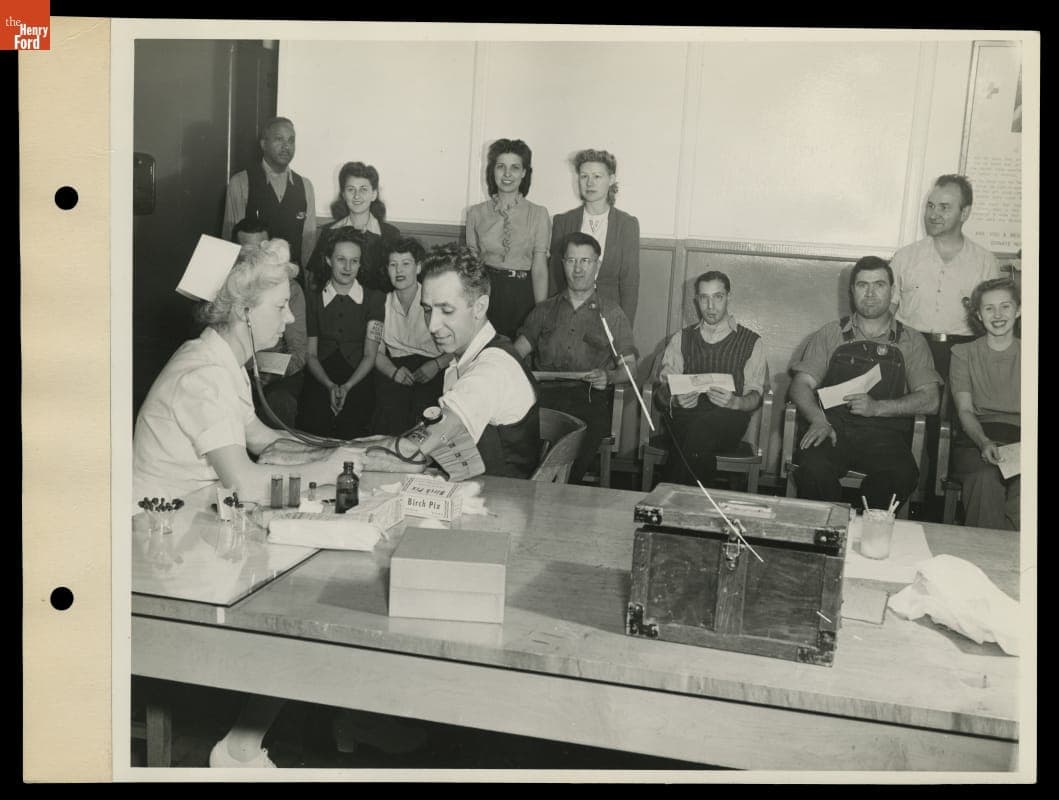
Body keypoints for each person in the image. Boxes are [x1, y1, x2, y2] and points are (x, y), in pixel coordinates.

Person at [132, 239, 369, 768]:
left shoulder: (221, 357)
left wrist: (343, 450)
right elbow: (243, 481)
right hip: (156, 551)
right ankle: (241, 745)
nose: (289, 319)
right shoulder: (204, 374)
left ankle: (286, 727)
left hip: (194, 529)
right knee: (307, 597)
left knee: (319, 572)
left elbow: (262, 437)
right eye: (280, 306)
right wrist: (326, 472)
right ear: (242, 309)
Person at [790, 256, 941, 512]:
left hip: (885, 435)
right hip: (831, 429)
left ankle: (866, 534)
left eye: (879, 285)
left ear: (892, 291)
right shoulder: (830, 334)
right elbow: (800, 385)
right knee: (813, 469)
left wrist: (877, 407)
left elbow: (931, 399)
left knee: (901, 475)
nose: (870, 294)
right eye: (862, 285)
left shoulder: (912, 341)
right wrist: (817, 419)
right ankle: (829, 535)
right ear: (852, 291)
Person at [408, 243, 541, 478]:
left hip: (500, 504)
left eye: (446, 310)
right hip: (477, 490)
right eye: (427, 310)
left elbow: (421, 446)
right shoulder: (465, 358)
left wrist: (346, 456)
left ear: (479, 307)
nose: (432, 325)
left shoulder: (492, 369)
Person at [515, 232, 636, 483]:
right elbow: (516, 354)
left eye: (585, 261)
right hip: (543, 395)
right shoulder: (544, 310)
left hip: (589, 398)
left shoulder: (612, 313)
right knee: (517, 447)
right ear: (563, 264)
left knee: (569, 457)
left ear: (597, 265)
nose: (578, 269)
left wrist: (610, 376)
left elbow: (630, 369)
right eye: (571, 261)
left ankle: (557, 499)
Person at [655, 271, 768, 487]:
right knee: (694, 435)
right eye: (704, 298)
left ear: (728, 297)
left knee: (697, 432)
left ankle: (665, 503)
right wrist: (674, 399)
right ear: (696, 300)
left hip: (727, 419)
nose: (710, 306)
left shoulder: (752, 341)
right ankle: (694, 506)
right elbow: (662, 393)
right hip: (685, 414)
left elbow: (756, 394)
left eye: (718, 297)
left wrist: (736, 402)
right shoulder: (682, 338)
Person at [890, 174, 1001, 381]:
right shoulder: (904, 257)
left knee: (956, 412)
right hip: (911, 348)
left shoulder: (986, 262)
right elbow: (888, 310)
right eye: (930, 206)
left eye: (944, 207)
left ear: (964, 213)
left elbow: (995, 321)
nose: (933, 214)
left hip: (964, 352)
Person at [297, 228, 385, 440]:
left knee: (353, 425)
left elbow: (370, 355)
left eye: (354, 261)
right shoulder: (313, 299)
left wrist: (347, 386)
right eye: (341, 260)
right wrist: (329, 385)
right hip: (320, 373)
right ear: (328, 260)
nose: (347, 267)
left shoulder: (374, 299)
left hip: (358, 373)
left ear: (360, 263)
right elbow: (311, 354)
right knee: (315, 422)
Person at [948, 278, 1021, 529]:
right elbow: (965, 411)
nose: (998, 315)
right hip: (976, 439)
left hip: (1023, 442)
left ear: (1019, 310)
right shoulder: (962, 353)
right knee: (985, 477)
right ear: (978, 314)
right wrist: (984, 442)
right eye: (989, 308)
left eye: (1006, 306)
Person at [465, 138, 551, 340]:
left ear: (524, 173)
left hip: (523, 295)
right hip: (486, 293)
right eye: (501, 167)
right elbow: (471, 267)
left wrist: (540, 316)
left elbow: (539, 269)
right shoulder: (475, 214)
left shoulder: (538, 214)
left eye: (515, 168)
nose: (507, 174)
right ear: (492, 171)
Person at [548, 149, 641, 324]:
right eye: (584, 176)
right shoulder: (563, 221)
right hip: (568, 315)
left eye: (597, 176)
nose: (590, 183)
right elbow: (555, 280)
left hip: (609, 317)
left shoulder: (627, 224)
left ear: (611, 179)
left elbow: (630, 284)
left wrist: (624, 331)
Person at [372, 237, 453, 436]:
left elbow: (457, 345)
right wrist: (393, 372)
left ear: (418, 267)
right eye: (393, 264)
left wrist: (436, 365)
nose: (399, 271)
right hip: (397, 369)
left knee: (425, 409)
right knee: (389, 406)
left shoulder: (434, 298)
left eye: (406, 264)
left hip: (433, 368)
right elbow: (375, 352)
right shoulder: (380, 303)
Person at [231, 217, 307, 429]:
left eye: (261, 252)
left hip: (276, 377)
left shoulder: (289, 289)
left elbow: (298, 352)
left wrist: (269, 373)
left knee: (280, 403)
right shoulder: (224, 287)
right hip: (234, 371)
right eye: (247, 253)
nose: (255, 260)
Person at [221, 117, 316, 267]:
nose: (286, 146)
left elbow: (308, 243)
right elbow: (231, 242)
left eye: (291, 140)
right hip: (254, 280)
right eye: (279, 139)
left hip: (293, 280)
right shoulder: (240, 182)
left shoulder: (305, 185)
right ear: (264, 144)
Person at [305, 161, 401, 294]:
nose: (356, 196)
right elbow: (315, 280)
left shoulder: (390, 234)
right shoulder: (329, 232)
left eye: (363, 189)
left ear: (373, 194)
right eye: (351, 189)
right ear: (343, 195)